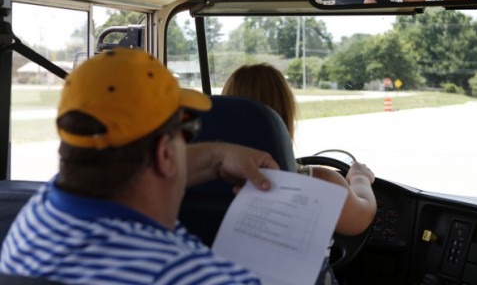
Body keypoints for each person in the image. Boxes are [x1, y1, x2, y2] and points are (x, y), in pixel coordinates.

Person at [0, 48, 280, 284]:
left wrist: (218, 155)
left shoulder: (38, 214)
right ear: (165, 154)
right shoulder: (188, 274)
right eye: (187, 130)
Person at [222, 63, 376, 235]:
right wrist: (360, 178)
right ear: (284, 115)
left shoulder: (199, 177)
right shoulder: (319, 181)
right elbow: (363, 217)